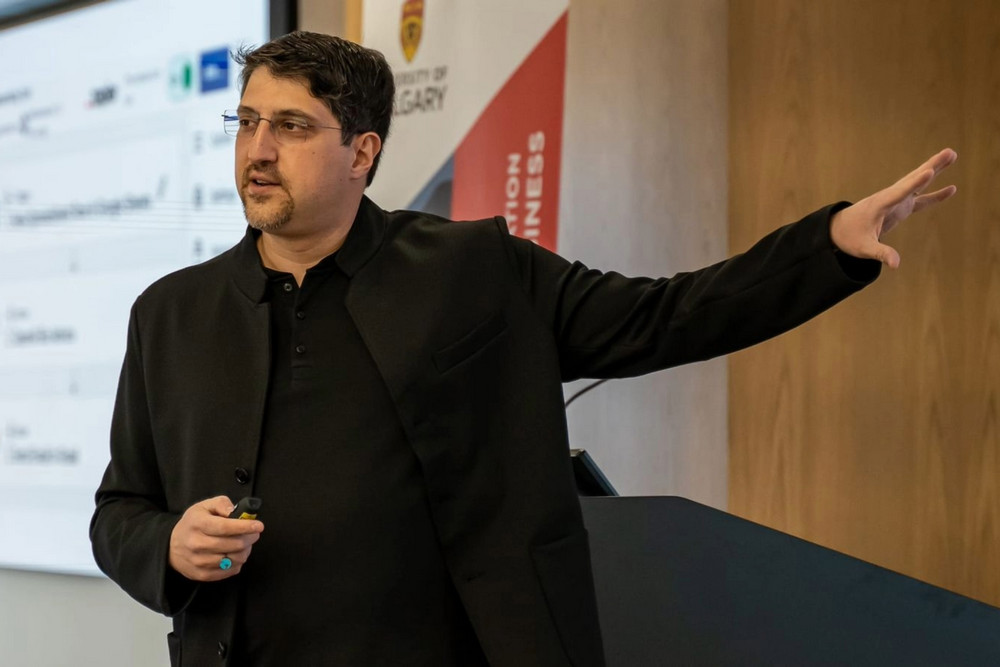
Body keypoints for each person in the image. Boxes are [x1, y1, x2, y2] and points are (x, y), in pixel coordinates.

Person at [90, 30, 957, 667]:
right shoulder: (170, 313)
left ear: (364, 151)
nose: (259, 151)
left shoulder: (475, 272)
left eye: (291, 126)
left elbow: (665, 316)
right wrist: (166, 544)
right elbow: (119, 509)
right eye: (246, 123)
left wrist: (828, 246)